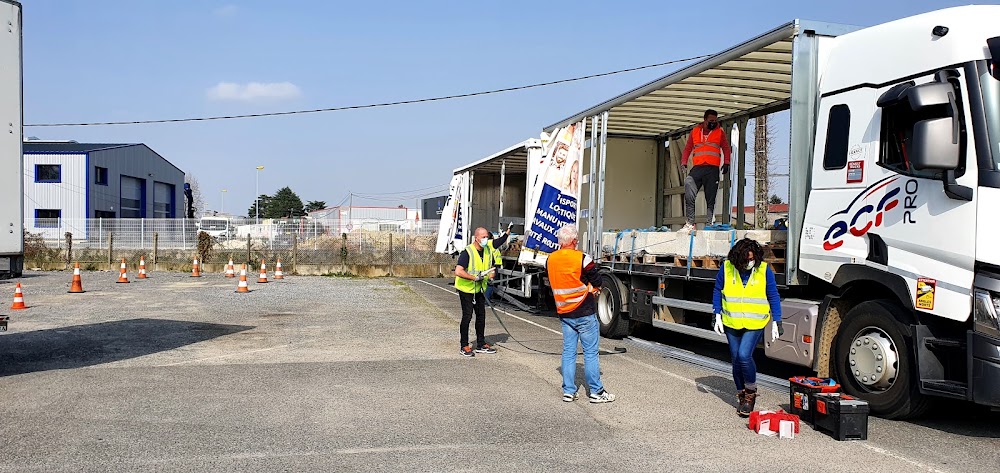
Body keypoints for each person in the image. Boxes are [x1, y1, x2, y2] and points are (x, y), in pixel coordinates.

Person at [712, 238, 782, 416]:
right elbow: (717, 290)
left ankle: (750, 393)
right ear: (737, 258)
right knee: (736, 358)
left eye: (752, 259)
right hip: (731, 321)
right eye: (746, 260)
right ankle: (741, 395)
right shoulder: (727, 268)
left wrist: (777, 321)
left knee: (744, 355)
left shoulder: (764, 270)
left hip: (755, 322)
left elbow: (773, 295)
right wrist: (717, 314)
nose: (749, 263)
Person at [546, 224, 615, 403]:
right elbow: (597, 279)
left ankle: (569, 391)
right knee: (590, 352)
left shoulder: (550, 259)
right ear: (575, 240)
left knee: (569, 351)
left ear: (560, 241)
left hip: (564, 312)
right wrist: (593, 287)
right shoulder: (583, 258)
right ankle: (596, 392)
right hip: (584, 311)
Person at [681, 109, 732, 232]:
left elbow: (726, 148)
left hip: (712, 169)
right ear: (705, 120)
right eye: (711, 121)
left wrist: (726, 163)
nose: (713, 123)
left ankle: (709, 223)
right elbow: (688, 148)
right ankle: (690, 223)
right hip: (698, 168)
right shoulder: (695, 131)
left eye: (715, 121)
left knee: (710, 197)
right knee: (689, 184)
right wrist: (683, 162)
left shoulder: (719, 132)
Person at [454, 227, 497, 357]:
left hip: (479, 289)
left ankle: (481, 343)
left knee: (481, 316)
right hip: (466, 289)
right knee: (467, 316)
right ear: (476, 238)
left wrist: (491, 275)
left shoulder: (488, 251)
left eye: (487, 237)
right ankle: (464, 345)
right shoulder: (468, 252)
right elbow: (458, 271)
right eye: (483, 237)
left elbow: (491, 267)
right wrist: (474, 277)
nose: (485, 239)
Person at [483, 225, 511, 301]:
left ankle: (485, 298)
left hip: (486, 266)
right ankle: (486, 300)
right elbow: (503, 239)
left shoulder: (484, 244)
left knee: (486, 283)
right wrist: (509, 229)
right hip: (493, 266)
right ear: (491, 238)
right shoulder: (491, 243)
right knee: (490, 283)